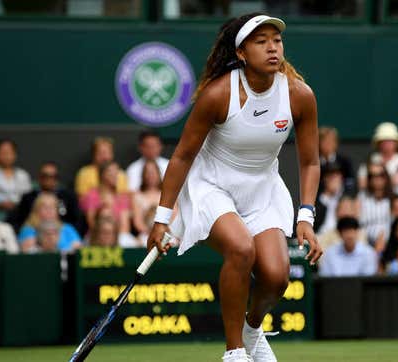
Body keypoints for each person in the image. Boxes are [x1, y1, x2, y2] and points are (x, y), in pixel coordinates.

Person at [145, 13, 322, 362]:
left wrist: (306, 216)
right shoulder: (218, 94)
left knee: (276, 277)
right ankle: (234, 351)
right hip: (211, 185)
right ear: (241, 53)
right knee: (241, 249)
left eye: (277, 40)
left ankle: (252, 330)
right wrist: (162, 218)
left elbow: (311, 162)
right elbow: (181, 157)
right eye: (261, 41)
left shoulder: (300, 95)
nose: (273, 47)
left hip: (263, 189)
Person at [7, 162, 81, 233]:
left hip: (60, 233)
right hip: (34, 233)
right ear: (39, 178)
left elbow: (76, 221)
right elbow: (17, 220)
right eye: (45, 176)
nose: (48, 180)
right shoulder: (28, 197)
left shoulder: (68, 197)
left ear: (57, 179)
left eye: (52, 177)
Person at [358, 122, 398, 194]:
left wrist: (375, 178)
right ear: (378, 143)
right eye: (384, 141)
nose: (387, 144)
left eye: (390, 141)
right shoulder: (370, 159)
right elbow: (362, 183)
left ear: (397, 143)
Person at [80, 161, 132, 235]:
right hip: (97, 236)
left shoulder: (122, 198)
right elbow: (91, 223)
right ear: (102, 174)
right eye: (111, 171)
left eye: (116, 172)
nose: (115, 175)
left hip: (119, 236)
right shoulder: (91, 195)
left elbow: (125, 226)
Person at [18, 192, 82, 252]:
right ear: (36, 210)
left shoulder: (68, 228)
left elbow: (78, 248)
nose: (49, 210)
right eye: (44, 207)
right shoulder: (28, 230)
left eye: (52, 206)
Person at [0, 139, 32, 213]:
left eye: (9, 152)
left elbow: (28, 200)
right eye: (3, 153)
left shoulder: (23, 175)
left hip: (19, 213)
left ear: (15, 155)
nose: (6, 156)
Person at [357, 161, 392, 252]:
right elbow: (356, 219)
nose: (377, 179)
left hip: (388, 241)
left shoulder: (393, 198)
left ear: (386, 177)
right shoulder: (361, 197)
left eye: (380, 175)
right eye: (372, 176)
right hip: (364, 240)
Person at [132, 159, 166, 241]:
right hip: (146, 235)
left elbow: (173, 217)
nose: (151, 175)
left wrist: (163, 231)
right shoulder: (137, 196)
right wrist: (150, 233)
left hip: (166, 234)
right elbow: (137, 222)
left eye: (153, 172)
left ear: (158, 174)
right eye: (148, 173)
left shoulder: (166, 195)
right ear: (143, 175)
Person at [318, 126, 355, 195]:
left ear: (336, 143)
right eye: (325, 141)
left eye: (331, 141)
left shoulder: (345, 161)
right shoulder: (314, 164)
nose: (328, 144)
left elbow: (351, 183)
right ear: (319, 143)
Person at [314, 162, 345, 234]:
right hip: (321, 237)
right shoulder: (317, 201)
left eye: (337, 175)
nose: (335, 179)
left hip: (341, 238)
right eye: (331, 176)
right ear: (325, 178)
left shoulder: (345, 198)